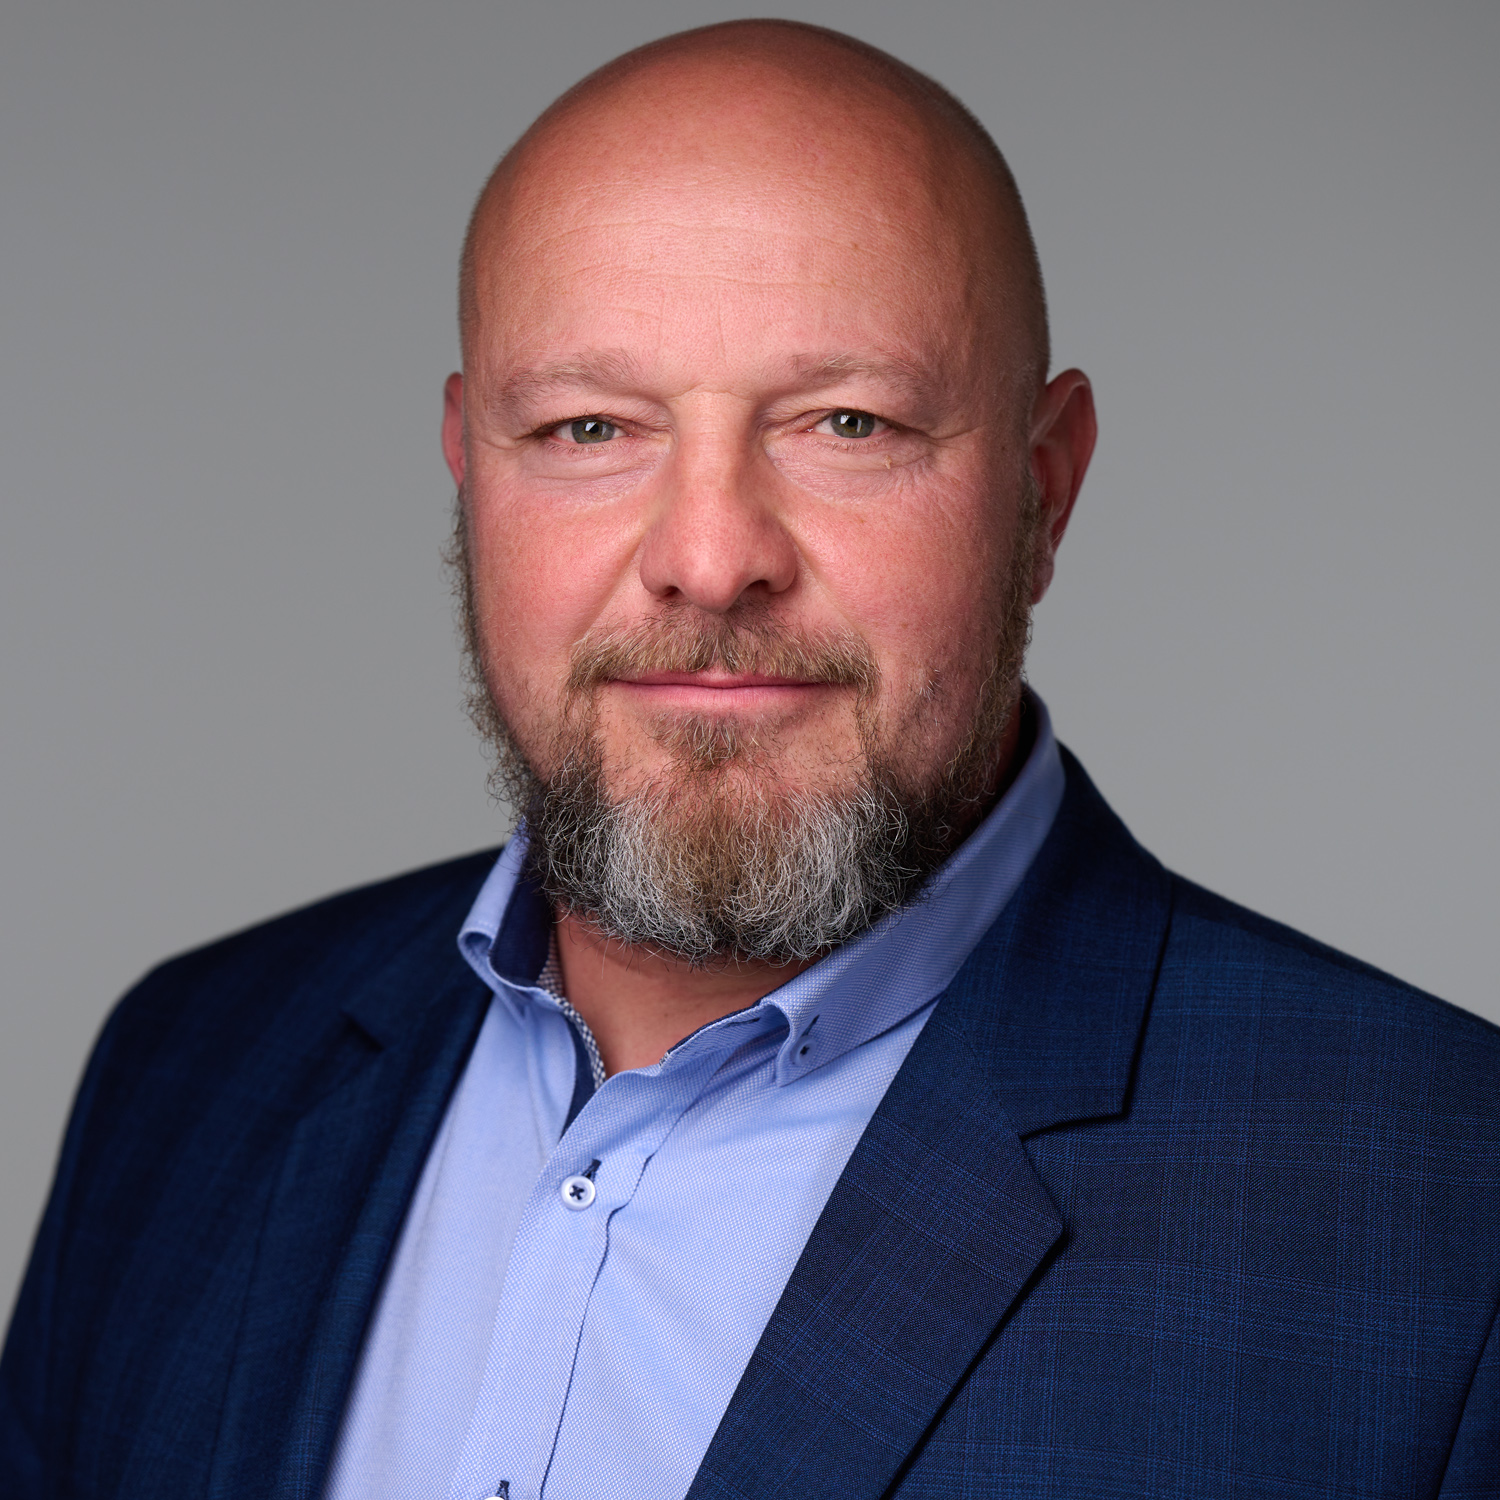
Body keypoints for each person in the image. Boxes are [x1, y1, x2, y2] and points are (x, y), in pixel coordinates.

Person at [2, 18, 1496, 1499]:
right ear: (469, 470)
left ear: (1043, 490)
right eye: (589, 427)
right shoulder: (188, 1069)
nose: (712, 560)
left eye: (847, 421)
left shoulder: (1444, 1214)